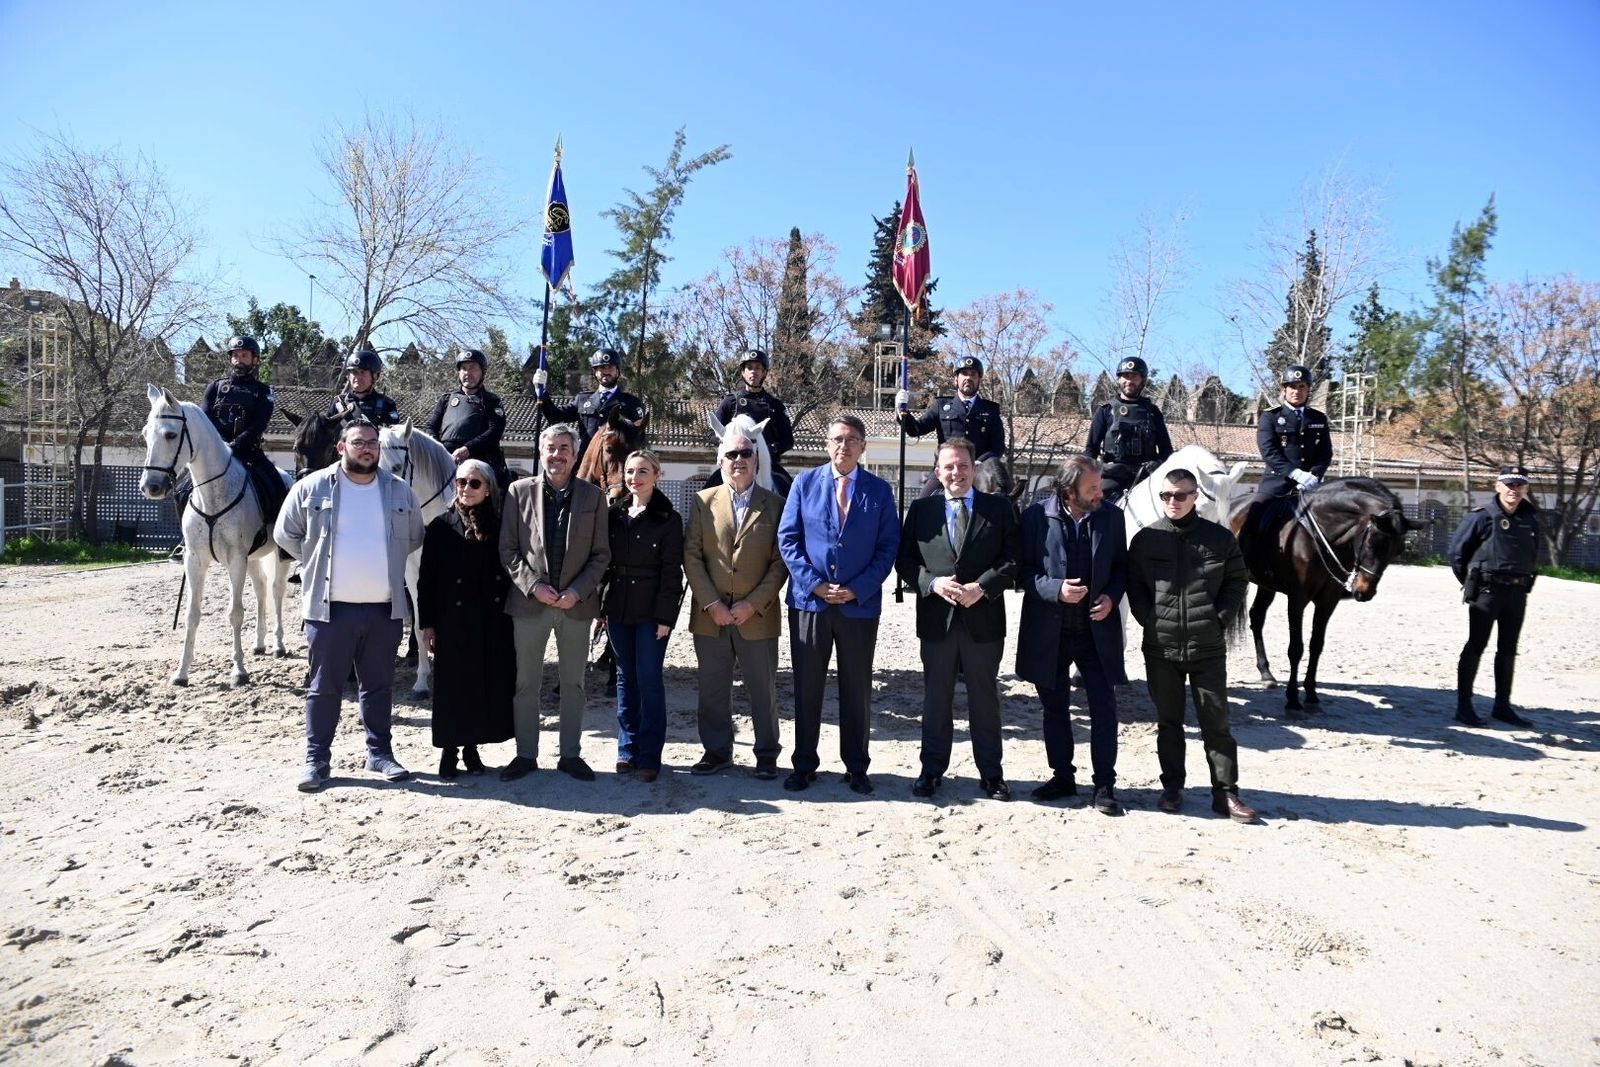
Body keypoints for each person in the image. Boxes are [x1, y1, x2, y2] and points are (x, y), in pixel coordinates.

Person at [274, 419, 423, 792]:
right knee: (324, 688)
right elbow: (285, 533)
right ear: (341, 447)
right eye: (359, 442)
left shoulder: (400, 490)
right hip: (330, 611)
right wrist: (315, 560)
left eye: (372, 443)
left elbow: (414, 535)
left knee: (379, 687)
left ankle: (380, 754)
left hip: (383, 610)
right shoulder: (311, 487)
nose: (367, 448)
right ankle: (317, 761)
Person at [777, 415, 900, 794]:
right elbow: (788, 540)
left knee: (857, 688)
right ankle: (804, 765)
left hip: (858, 606)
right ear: (826, 445)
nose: (843, 446)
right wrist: (815, 585)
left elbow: (888, 547)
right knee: (807, 687)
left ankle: (857, 767)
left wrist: (857, 588)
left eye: (851, 440)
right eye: (836, 439)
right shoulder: (804, 484)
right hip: (810, 604)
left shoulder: (880, 491)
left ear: (863, 446)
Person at [1128, 468, 1258, 823]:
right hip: (1161, 647)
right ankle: (1172, 787)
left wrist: (1220, 618)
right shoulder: (1146, 539)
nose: (1172, 501)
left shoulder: (1220, 538)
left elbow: (1237, 580)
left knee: (1216, 723)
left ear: (1195, 497)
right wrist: (1149, 619)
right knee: (1168, 723)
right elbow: (1134, 584)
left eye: (1180, 495)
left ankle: (1226, 793)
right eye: (1166, 495)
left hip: (1207, 647)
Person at [895, 438, 1019, 801]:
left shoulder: (999, 508)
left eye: (963, 465)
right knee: (936, 699)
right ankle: (931, 770)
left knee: (985, 701)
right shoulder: (922, 510)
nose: (956, 473)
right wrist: (932, 583)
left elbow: (1014, 559)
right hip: (938, 621)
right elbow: (904, 561)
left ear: (974, 469)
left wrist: (983, 587)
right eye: (948, 467)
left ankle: (992, 774)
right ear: (938, 472)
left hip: (984, 620)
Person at [1014, 455, 1129, 815]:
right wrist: (1055, 590)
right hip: (1050, 631)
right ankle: (1062, 776)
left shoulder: (1113, 516)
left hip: (1097, 632)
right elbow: (1022, 572)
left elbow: (1122, 568)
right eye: (1092, 488)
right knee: (1054, 709)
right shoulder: (1035, 517)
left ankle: (1104, 784)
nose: (1100, 493)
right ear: (1069, 491)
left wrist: (1111, 597)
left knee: (1104, 708)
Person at [498, 423, 611, 782]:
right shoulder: (518, 492)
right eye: (551, 447)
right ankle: (525, 754)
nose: (557, 454)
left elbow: (601, 554)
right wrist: (533, 586)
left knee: (574, 684)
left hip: (575, 605)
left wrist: (577, 591)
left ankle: (570, 755)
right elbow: (508, 550)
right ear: (541, 451)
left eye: (564, 448)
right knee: (525, 683)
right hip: (530, 604)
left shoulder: (594, 497)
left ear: (575, 455)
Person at [683, 426, 789, 779]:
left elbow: (780, 563)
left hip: (756, 616)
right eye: (731, 454)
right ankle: (716, 752)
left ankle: (767, 754)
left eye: (746, 453)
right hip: (710, 616)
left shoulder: (776, 505)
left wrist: (753, 603)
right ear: (720, 461)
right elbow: (692, 556)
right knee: (712, 689)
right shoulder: (703, 501)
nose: (739, 460)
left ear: (756, 460)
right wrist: (711, 603)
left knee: (763, 690)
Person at [417, 459, 516, 779]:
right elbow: (426, 580)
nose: (466, 489)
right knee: (451, 686)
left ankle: (472, 747)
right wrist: (427, 624)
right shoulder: (439, 527)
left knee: (482, 683)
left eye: (474, 483)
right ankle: (449, 750)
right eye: (461, 482)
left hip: (491, 619)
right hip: (452, 619)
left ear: (488, 489)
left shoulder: (501, 526)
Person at [600, 449, 684, 782]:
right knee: (625, 678)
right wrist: (600, 608)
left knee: (648, 678)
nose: (635, 478)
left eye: (643, 471)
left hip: (652, 610)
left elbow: (672, 572)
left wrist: (666, 617)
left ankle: (649, 755)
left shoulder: (668, 519)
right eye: (630, 472)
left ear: (657, 476)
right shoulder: (613, 514)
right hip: (617, 607)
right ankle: (627, 748)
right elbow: (603, 563)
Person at [1449, 465, 1540, 727]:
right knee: (1476, 645)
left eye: (1519, 485)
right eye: (1509, 485)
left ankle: (1502, 706)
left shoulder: (1530, 518)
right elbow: (1457, 554)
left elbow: (1533, 552)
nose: (1514, 490)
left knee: (1508, 649)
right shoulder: (1481, 516)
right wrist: (1471, 583)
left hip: (1517, 592)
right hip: (1487, 591)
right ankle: (1464, 707)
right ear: (1498, 486)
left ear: (1526, 488)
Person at [1240, 363, 1332, 577]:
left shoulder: (1318, 418)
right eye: (1291, 386)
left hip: (1309, 485)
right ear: (1283, 390)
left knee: (1335, 518)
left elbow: (1325, 453)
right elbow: (1269, 451)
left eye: (1301, 386)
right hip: (1276, 485)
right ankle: (1244, 568)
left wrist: (1314, 475)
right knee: (1253, 520)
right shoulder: (1270, 416)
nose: (1296, 391)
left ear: (1308, 390)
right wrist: (1295, 473)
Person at [897, 356, 1008, 497]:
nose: (968, 378)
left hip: (978, 470)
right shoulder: (941, 406)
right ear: (956, 379)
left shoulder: (990, 409)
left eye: (973, 374)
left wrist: (978, 462)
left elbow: (998, 446)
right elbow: (915, 429)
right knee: (922, 502)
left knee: (1005, 499)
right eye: (964, 373)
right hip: (946, 468)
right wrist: (901, 411)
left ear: (979, 379)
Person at [1084, 356, 1173, 501]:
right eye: (1125, 376)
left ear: (1142, 380)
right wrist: (1092, 475)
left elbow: (1167, 450)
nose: (1129, 381)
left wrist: (1158, 463)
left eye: (1134, 376)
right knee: (1094, 506)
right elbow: (1090, 449)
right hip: (1113, 476)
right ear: (1119, 379)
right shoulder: (1105, 411)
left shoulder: (1153, 412)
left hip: (1146, 477)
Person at [532, 348, 647, 459]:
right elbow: (555, 416)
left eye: (610, 367)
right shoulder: (582, 400)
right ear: (595, 372)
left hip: (615, 462)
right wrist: (540, 391)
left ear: (618, 371)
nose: (606, 372)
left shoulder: (632, 403)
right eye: (601, 368)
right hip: (586, 463)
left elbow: (639, 437)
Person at [425, 348, 508, 487]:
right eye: (464, 368)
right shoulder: (445, 399)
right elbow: (431, 427)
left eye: (473, 368)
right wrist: (439, 450)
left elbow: (495, 430)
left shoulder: (492, 401)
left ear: (482, 372)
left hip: (480, 459)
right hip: (445, 458)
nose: (468, 373)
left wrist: (467, 449)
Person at [712, 349, 794, 489]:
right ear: (743, 372)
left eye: (757, 368)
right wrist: (727, 443)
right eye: (749, 368)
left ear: (764, 373)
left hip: (767, 463)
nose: (753, 372)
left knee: (790, 489)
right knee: (708, 489)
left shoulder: (775, 405)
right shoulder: (730, 402)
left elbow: (788, 440)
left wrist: (770, 449)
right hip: (733, 462)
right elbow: (711, 434)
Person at [327, 349, 403, 428]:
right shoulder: (338, 402)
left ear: (375, 376)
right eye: (354, 372)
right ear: (349, 376)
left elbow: (393, 432)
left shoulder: (387, 404)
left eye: (362, 372)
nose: (358, 377)